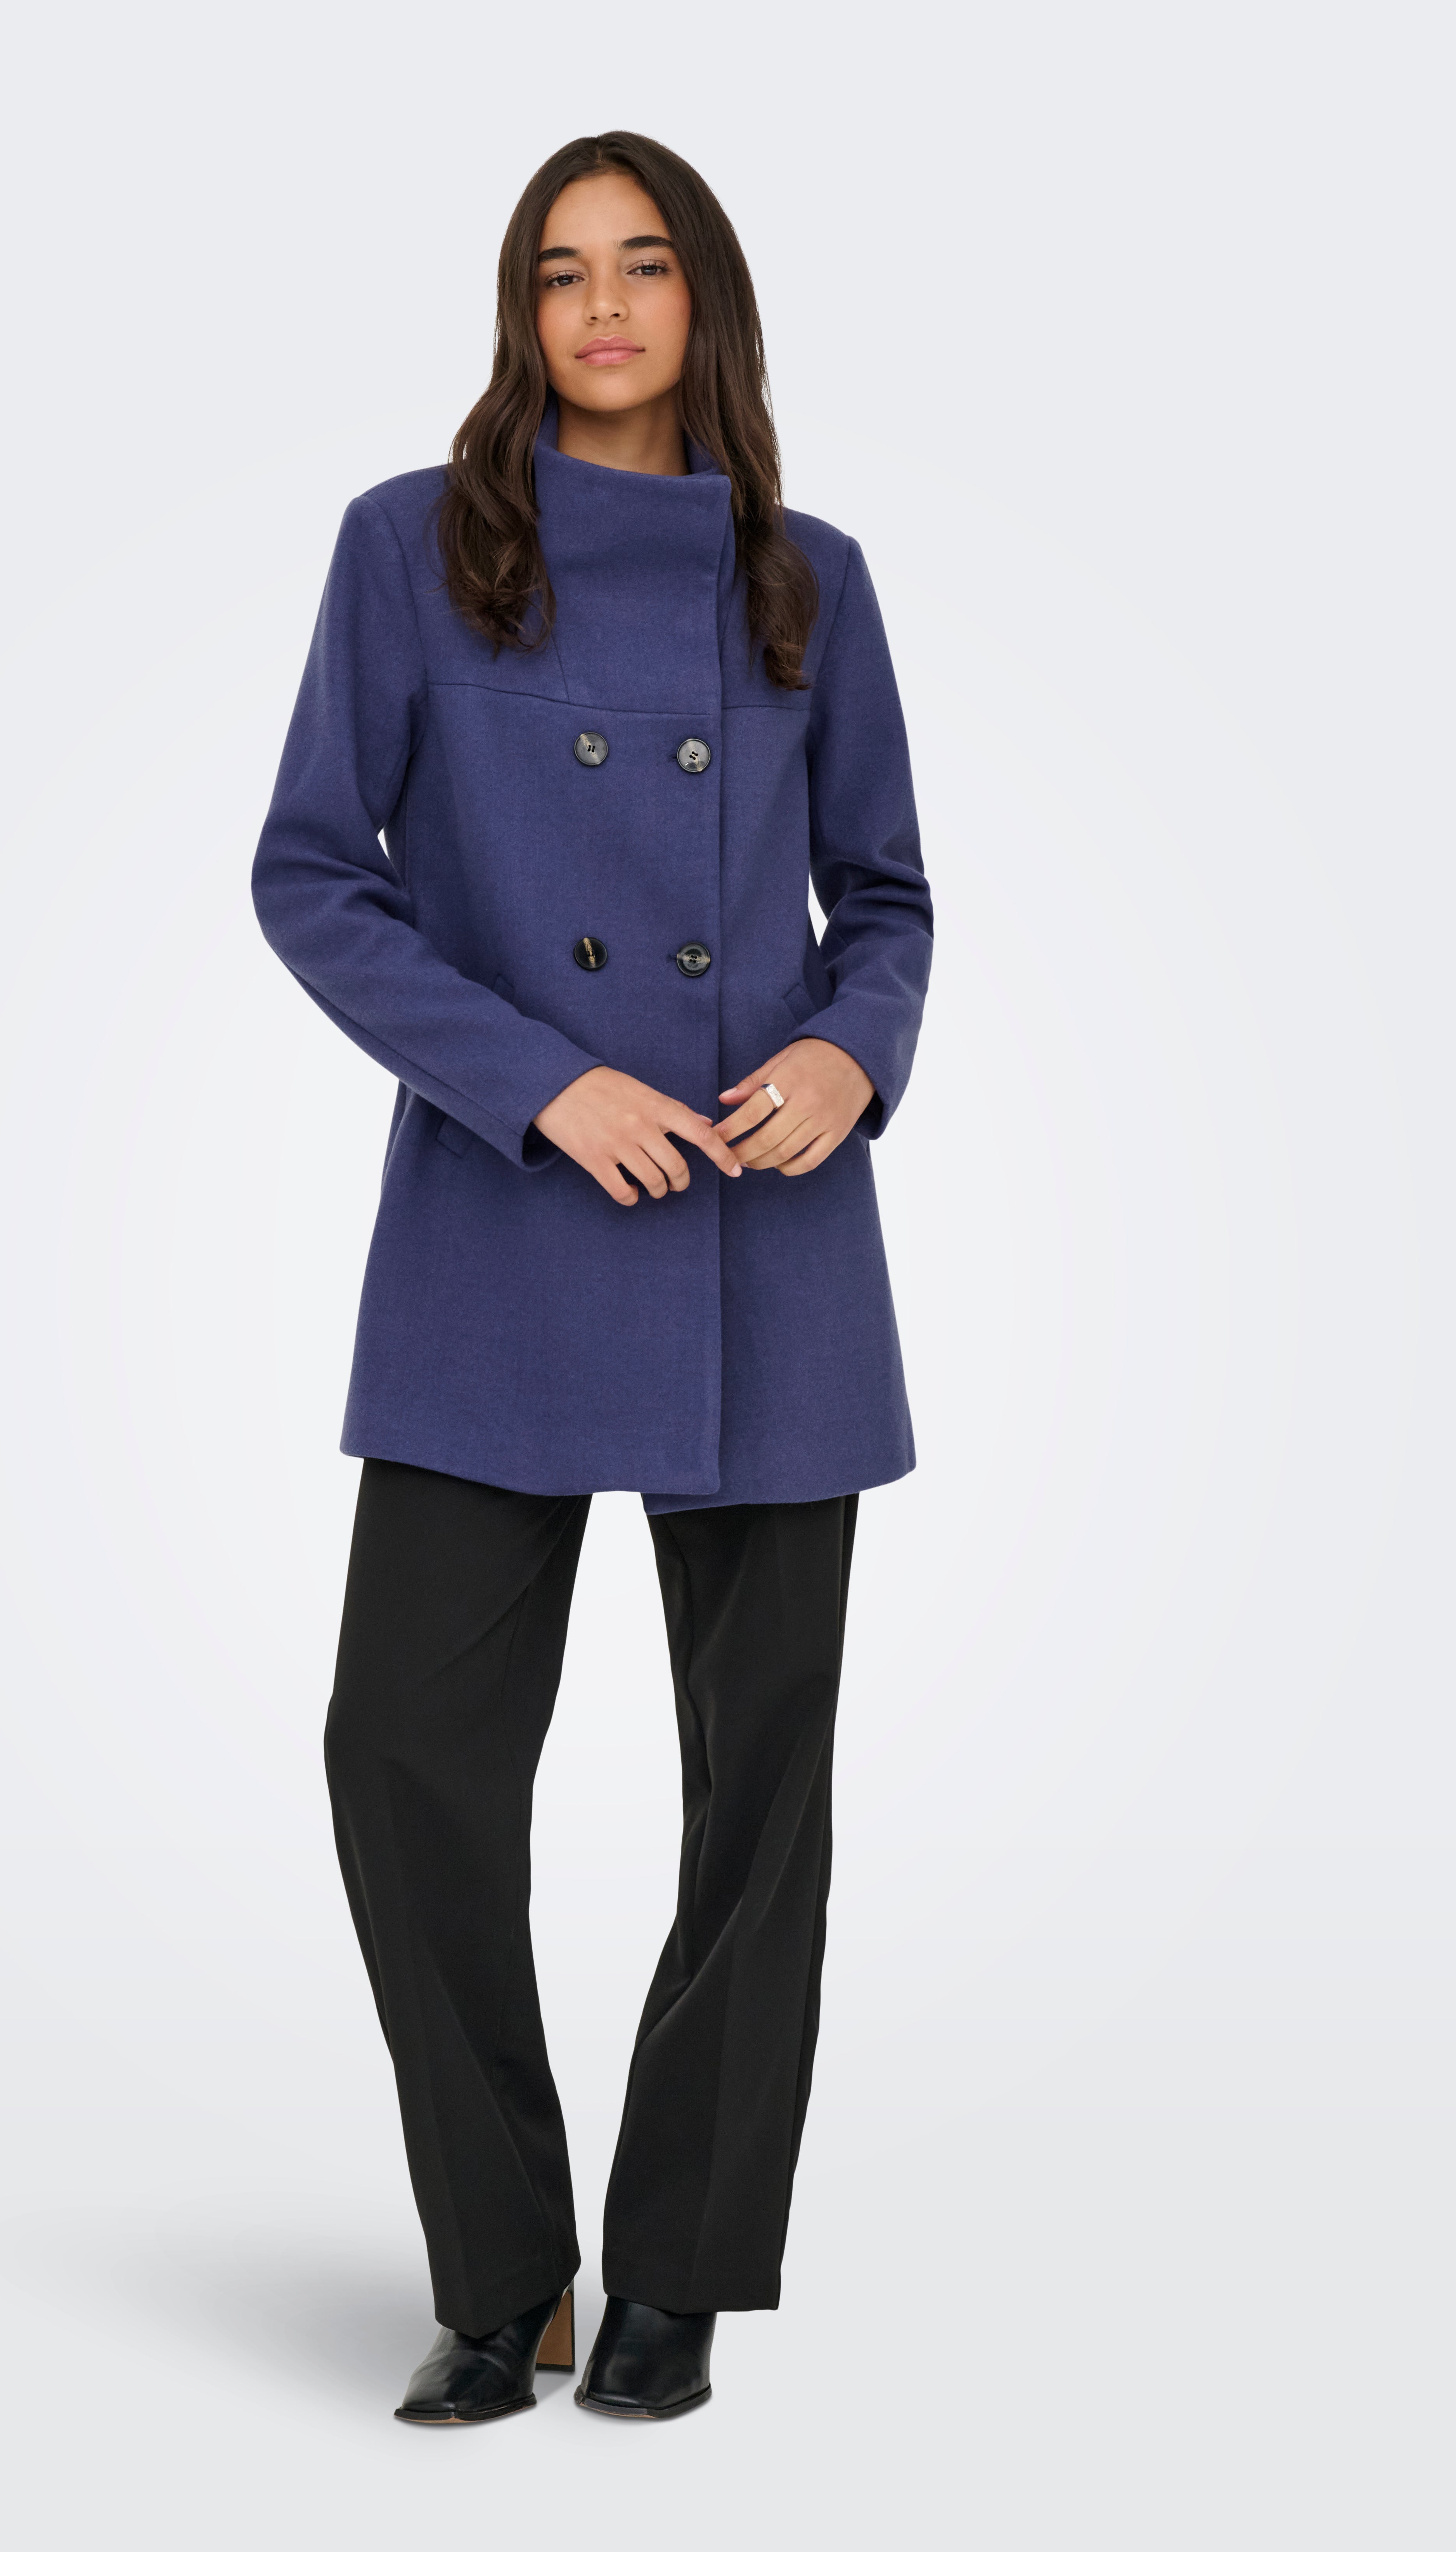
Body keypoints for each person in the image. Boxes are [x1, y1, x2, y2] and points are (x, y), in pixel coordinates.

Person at [251, 130, 933, 2425]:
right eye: (561, 272)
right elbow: (312, 875)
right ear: (520, 314)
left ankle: (678, 2278)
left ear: (702, 302)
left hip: (763, 1227)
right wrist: (542, 1085)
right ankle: (501, 2270)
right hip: (508, 1219)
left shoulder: (808, 580)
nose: (604, 306)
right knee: (401, 1756)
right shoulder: (411, 551)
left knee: (761, 1794)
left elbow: (885, 900)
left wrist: (851, 1050)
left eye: (643, 266)